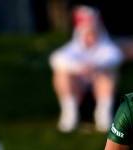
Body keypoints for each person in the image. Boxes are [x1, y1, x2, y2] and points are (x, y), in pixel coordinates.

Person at [49, 5, 123, 133]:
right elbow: (56, 59)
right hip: (78, 84)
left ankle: (103, 116)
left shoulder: (105, 45)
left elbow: (116, 56)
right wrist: (79, 68)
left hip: (98, 82)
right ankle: (69, 115)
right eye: (87, 33)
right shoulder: (73, 47)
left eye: (94, 32)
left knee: (108, 74)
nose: (91, 37)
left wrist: (96, 66)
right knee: (61, 75)